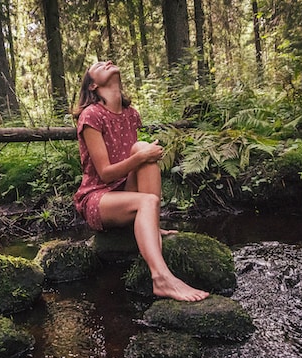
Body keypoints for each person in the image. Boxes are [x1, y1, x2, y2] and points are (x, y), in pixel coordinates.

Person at [72, 60, 209, 302]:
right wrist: (142, 158)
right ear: (92, 85)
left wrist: (142, 155)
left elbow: (134, 159)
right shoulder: (91, 115)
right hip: (97, 198)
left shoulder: (131, 114)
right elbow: (105, 173)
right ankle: (161, 277)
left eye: (108, 61)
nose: (107, 62)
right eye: (99, 64)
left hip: (125, 191)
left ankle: (151, 225)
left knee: (142, 146)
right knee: (144, 175)